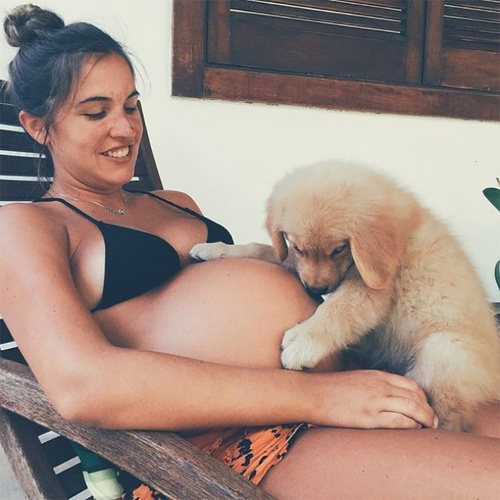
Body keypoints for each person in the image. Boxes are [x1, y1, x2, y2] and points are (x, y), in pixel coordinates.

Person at [0, 4, 498, 500]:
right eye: (95, 112)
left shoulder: (175, 202)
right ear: (37, 126)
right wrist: (320, 396)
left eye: (131, 106)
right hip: (226, 449)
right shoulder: (25, 226)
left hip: (342, 385)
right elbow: (82, 384)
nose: (126, 129)